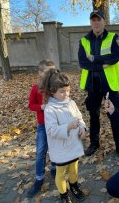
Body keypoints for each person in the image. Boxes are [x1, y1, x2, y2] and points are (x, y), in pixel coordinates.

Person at [78, 9, 119, 161]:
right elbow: (83, 62)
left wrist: (94, 58)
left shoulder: (113, 38)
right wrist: (101, 64)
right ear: (90, 22)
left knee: (114, 115)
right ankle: (94, 143)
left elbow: (114, 58)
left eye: (99, 19)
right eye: (93, 20)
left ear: (104, 21)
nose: (96, 22)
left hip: (109, 84)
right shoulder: (84, 40)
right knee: (93, 115)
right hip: (92, 84)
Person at [40, 69, 86, 203]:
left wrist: (82, 127)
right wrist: (68, 127)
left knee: (74, 170)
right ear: (52, 91)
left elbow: (79, 117)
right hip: (60, 150)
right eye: (62, 91)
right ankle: (64, 194)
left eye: (68, 90)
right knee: (61, 174)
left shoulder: (71, 103)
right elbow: (51, 130)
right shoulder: (50, 109)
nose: (66, 94)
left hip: (74, 145)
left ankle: (74, 187)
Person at [27, 59, 56, 197]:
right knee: (40, 153)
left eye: (53, 71)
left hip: (56, 125)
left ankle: (55, 168)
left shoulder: (55, 87)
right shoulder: (35, 88)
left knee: (55, 149)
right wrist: (41, 107)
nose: (52, 74)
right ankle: (39, 179)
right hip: (43, 126)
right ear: (40, 72)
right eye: (48, 71)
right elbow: (31, 105)